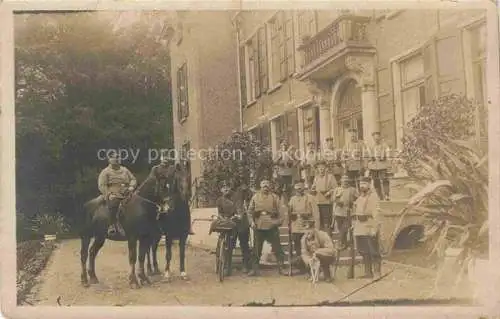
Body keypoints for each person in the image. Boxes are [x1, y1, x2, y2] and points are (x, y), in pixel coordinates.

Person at [247, 179, 285, 276]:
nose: (265, 187)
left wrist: (277, 222)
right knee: (256, 249)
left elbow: (281, 212)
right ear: (260, 186)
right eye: (263, 185)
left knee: (277, 248)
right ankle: (254, 269)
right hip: (259, 225)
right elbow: (250, 211)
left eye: (267, 185)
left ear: (270, 187)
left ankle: (281, 267)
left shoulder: (275, 197)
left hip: (271, 225)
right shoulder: (255, 197)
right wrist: (251, 222)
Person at [98, 153, 137, 237]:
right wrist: (108, 194)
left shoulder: (125, 170)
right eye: (114, 158)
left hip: (126, 191)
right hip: (113, 192)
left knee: (138, 202)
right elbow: (102, 185)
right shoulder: (105, 172)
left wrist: (131, 186)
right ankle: (112, 224)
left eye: (118, 158)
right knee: (114, 203)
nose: (117, 159)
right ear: (110, 160)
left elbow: (133, 179)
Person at [215, 184, 251, 275]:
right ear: (221, 190)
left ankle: (245, 265)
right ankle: (227, 266)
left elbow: (240, 207)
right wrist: (222, 218)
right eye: (223, 187)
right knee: (229, 245)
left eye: (227, 187)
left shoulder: (237, 195)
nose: (226, 189)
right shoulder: (219, 200)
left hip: (241, 222)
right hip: (230, 224)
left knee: (244, 244)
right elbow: (220, 213)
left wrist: (240, 214)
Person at [352, 176, 382, 279]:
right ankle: (368, 272)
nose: (362, 186)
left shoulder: (374, 197)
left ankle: (377, 272)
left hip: (369, 225)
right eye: (360, 184)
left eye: (364, 184)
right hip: (359, 227)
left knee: (373, 250)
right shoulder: (360, 197)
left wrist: (375, 228)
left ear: (369, 185)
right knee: (363, 250)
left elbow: (376, 213)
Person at [288, 180, 320, 274]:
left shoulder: (310, 198)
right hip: (296, 227)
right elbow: (289, 213)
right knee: (298, 249)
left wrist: (316, 228)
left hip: (307, 227)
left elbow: (316, 214)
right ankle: (302, 267)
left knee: (309, 248)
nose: (299, 190)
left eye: (301, 188)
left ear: (304, 188)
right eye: (297, 188)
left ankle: (311, 268)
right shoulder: (292, 199)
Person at [332, 175, 358, 249]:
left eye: (347, 181)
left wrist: (352, 202)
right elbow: (333, 199)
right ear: (341, 182)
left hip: (348, 212)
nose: (345, 183)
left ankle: (340, 242)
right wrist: (337, 202)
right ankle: (344, 243)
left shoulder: (352, 189)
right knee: (341, 228)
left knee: (345, 228)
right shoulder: (337, 189)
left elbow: (358, 198)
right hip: (338, 212)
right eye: (344, 181)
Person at [311, 160, 337, 234]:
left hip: (326, 202)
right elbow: (314, 188)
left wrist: (329, 192)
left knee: (327, 222)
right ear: (317, 169)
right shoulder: (316, 177)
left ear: (326, 168)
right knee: (319, 222)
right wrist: (313, 189)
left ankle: (328, 238)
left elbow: (336, 188)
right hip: (317, 202)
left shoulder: (330, 177)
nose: (321, 170)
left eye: (323, 168)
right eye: (320, 168)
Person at [367, 132, 390, 201]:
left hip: (382, 165)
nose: (377, 139)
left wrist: (385, 156)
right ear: (373, 138)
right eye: (375, 138)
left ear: (380, 138)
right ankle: (380, 196)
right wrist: (371, 157)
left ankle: (386, 194)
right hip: (373, 166)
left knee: (385, 180)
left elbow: (388, 152)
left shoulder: (384, 145)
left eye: (378, 138)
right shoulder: (370, 146)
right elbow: (368, 154)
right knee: (376, 181)